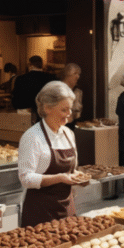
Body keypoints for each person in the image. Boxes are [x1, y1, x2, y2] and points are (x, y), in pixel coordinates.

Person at [17, 81, 84, 227]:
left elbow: (71, 171)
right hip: (41, 212)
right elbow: (26, 178)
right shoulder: (32, 137)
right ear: (47, 108)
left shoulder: (68, 134)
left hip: (67, 209)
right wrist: (59, 178)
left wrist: (78, 177)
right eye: (64, 110)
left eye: (70, 109)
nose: (69, 114)